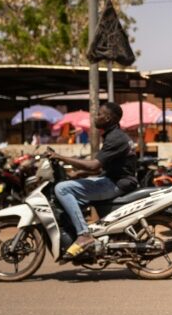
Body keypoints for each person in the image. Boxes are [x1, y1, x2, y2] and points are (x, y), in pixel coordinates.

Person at [50, 102, 138, 256]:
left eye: (99, 114)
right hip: (115, 179)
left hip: (116, 184)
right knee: (73, 190)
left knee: (62, 189)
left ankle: (84, 235)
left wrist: (60, 157)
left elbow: (94, 166)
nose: (95, 117)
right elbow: (108, 165)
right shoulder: (115, 135)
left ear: (108, 118)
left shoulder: (115, 138)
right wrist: (80, 174)